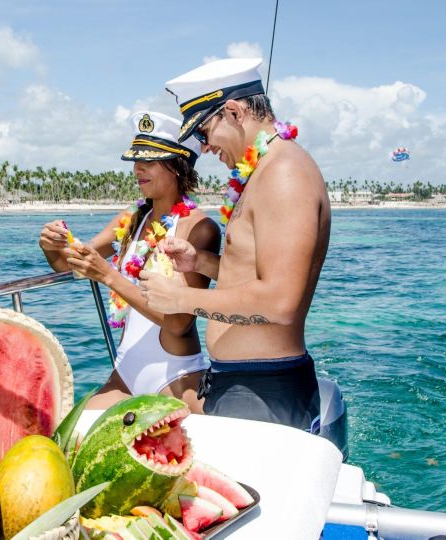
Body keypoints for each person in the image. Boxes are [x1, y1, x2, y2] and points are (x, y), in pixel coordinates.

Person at [138, 58, 331, 432]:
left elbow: (279, 302)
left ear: (233, 111)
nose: (205, 147)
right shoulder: (266, 169)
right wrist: (202, 263)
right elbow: (257, 271)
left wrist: (179, 300)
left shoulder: (284, 173)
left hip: (263, 391)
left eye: (204, 132)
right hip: (244, 382)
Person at [38, 111, 220, 411]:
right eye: (136, 161)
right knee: (73, 438)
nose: (138, 169)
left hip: (176, 376)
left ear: (177, 165)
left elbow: (178, 322)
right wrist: (51, 245)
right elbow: (69, 265)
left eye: (148, 161)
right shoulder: (131, 219)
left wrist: (109, 276)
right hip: (124, 373)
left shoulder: (199, 228)